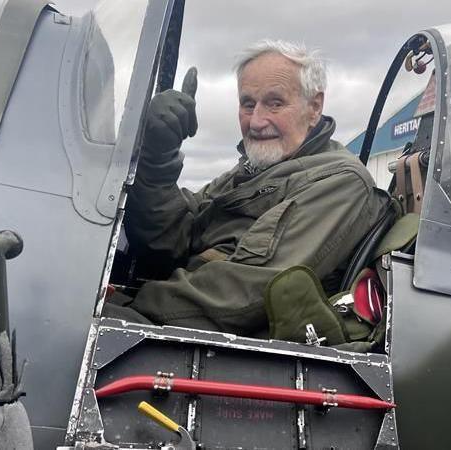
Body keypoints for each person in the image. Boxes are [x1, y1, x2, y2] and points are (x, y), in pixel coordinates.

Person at [109, 40, 389, 336]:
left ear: (314, 107)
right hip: (178, 313)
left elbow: (245, 294)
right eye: (247, 104)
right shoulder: (253, 169)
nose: (256, 121)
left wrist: (130, 306)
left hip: (215, 341)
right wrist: (157, 159)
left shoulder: (339, 182)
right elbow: (172, 241)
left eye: (275, 103)